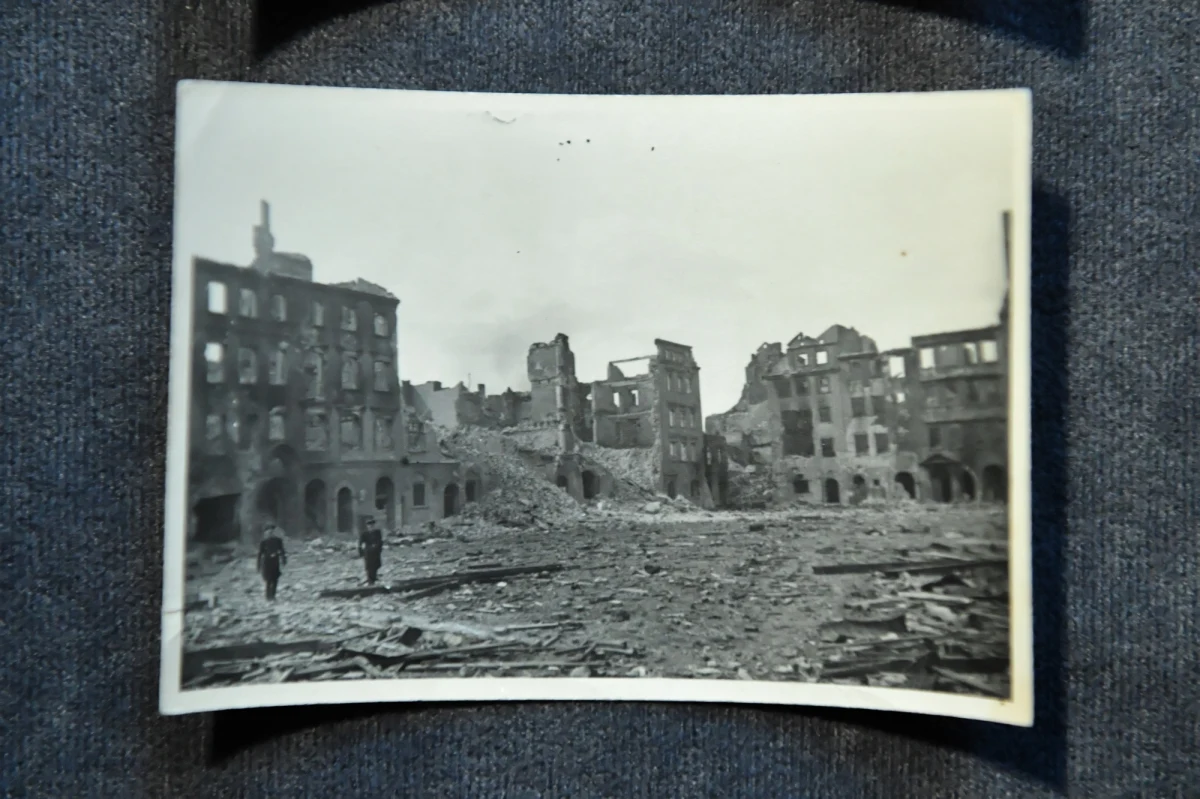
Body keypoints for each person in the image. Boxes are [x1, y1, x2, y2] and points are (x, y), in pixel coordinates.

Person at [256, 523, 287, 600]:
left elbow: (282, 551)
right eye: (268, 532)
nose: (270, 533)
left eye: (271, 531)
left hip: (275, 561)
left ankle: (273, 595)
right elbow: (260, 554)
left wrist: (284, 560)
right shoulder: (263, 542)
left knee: (275, 579)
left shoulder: (278, 540)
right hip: (267, 562)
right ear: (265, 533)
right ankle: (268, 596)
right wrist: (258, 565)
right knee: (268, 579)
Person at [358, 516, 384, 585]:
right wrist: (361, 552)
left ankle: (374, 578)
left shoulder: (377, 532)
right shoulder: (364, 534)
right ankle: (370, 580)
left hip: (375, 552)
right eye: (369, 525)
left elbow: (380, 541)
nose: (371, 526)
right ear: (367, 526)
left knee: (375, 566)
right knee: (369, 567)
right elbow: (360, 543)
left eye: (372, 525)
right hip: (368, 553)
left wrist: (377, 547)